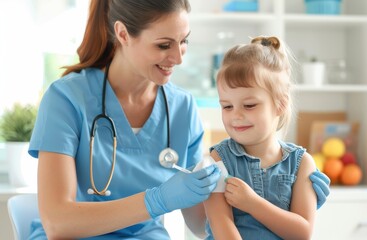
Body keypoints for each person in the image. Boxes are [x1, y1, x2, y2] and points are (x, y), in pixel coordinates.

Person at [27, 0, 329, 239]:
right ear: (122, 34)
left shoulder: (182, 107)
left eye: (184, 41)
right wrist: (156, 200)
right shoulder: (67, 99)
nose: (179, 57)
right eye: (163, 45)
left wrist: (284, 199)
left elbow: (199, 226)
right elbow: (57, 223)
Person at [203, 36, 325, 240]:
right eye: (227, 106)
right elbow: (221, 226)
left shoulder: (302, 163)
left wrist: (253, 203)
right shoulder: (218, 159)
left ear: (280, 104)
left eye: (249, 105)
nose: (236, 115)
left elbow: (302, 233)